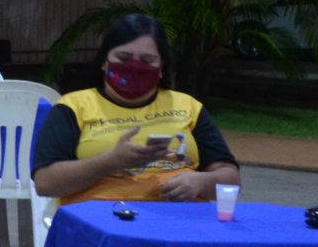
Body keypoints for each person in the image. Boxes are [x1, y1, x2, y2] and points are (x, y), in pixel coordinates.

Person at [32, 13, 241, 207]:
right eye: (123, 58)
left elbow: (231, 179)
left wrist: (201, 182)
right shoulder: (74, 107)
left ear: (161, 68)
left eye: (147, 61)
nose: (134, 67)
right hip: (103, 220)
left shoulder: (188, 107)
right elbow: (45, 182)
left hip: (182, 220)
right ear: (104, 62)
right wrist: (111, 162)